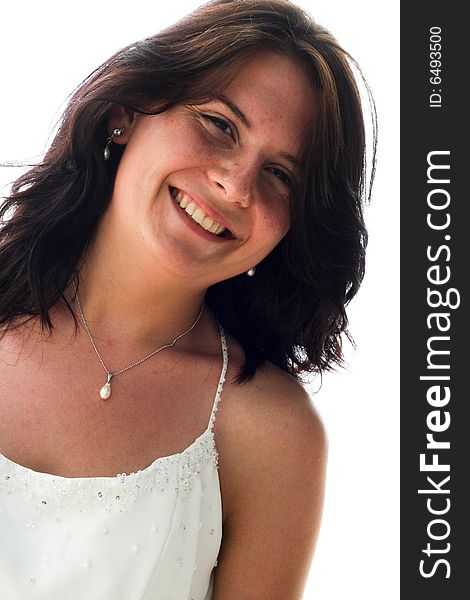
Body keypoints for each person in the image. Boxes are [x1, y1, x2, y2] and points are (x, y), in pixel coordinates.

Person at [0, 0, 375, 598]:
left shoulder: (271, 436)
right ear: (124, 115)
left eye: (281, 175)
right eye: (220, 125)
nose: (235, 184)